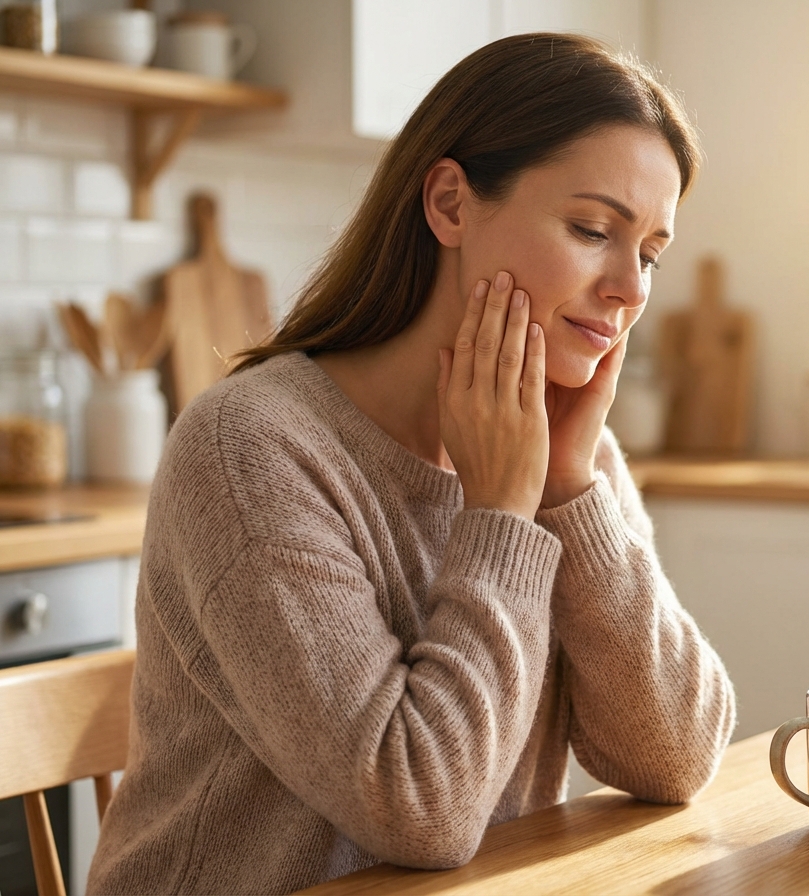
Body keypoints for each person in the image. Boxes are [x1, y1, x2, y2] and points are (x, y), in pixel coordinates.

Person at [88, 32, 736, 896]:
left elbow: (675, 755)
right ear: (450, 204)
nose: (631, 288)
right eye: (592, 230)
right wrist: (503, 512)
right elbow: (420, 807)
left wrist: (570, 492)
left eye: (650, 252)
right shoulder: (250, 450)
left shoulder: (567, 449)